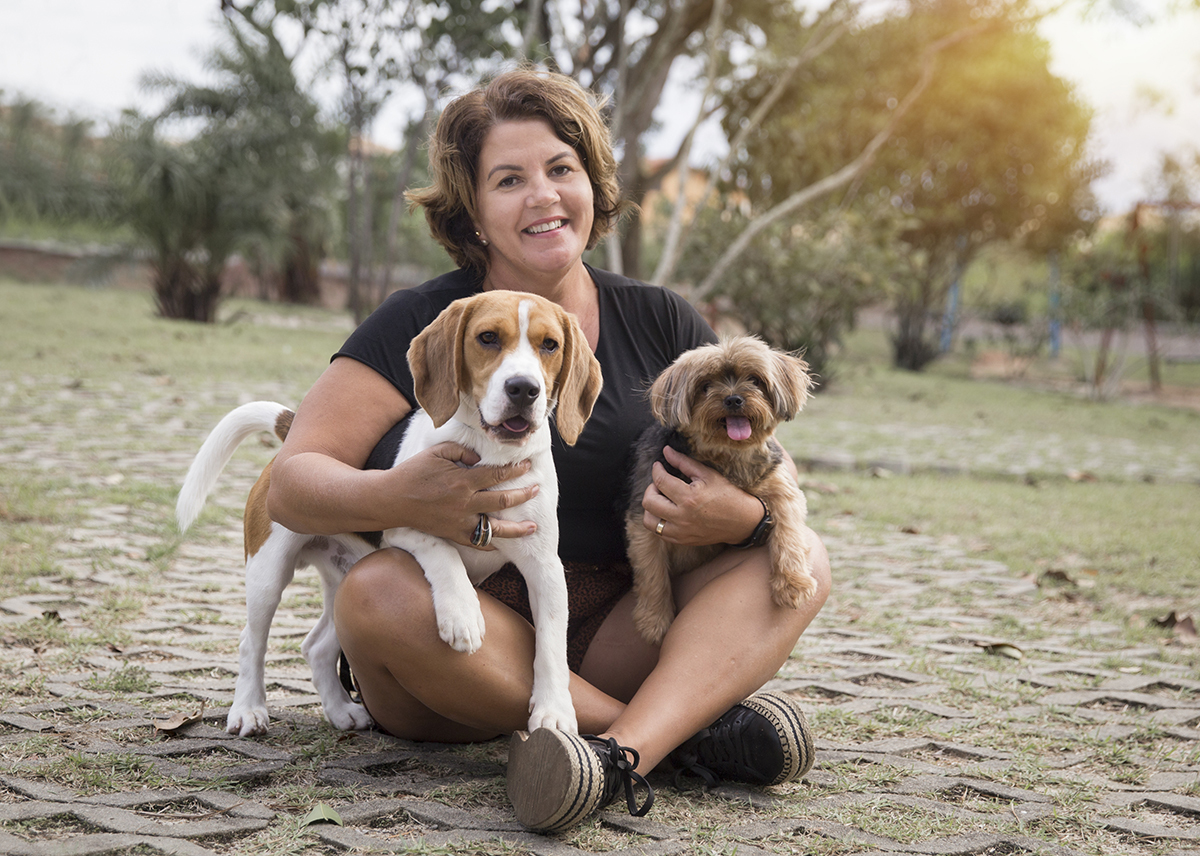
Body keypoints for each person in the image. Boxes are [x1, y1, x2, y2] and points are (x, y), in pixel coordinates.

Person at [267, 65, 831, 831]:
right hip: (448, 642)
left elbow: (767, 464)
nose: (543, 195)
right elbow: (293, 483)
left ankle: (611, 757)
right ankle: (675, 734)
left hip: (613, 624)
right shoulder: (426, 321)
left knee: (802, 557)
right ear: (471, 210)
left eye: (562, 169)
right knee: (375, 593)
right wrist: (401, 497)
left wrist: (746, 521)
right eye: (509, 179)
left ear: (593, 184)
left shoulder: (659, 319)